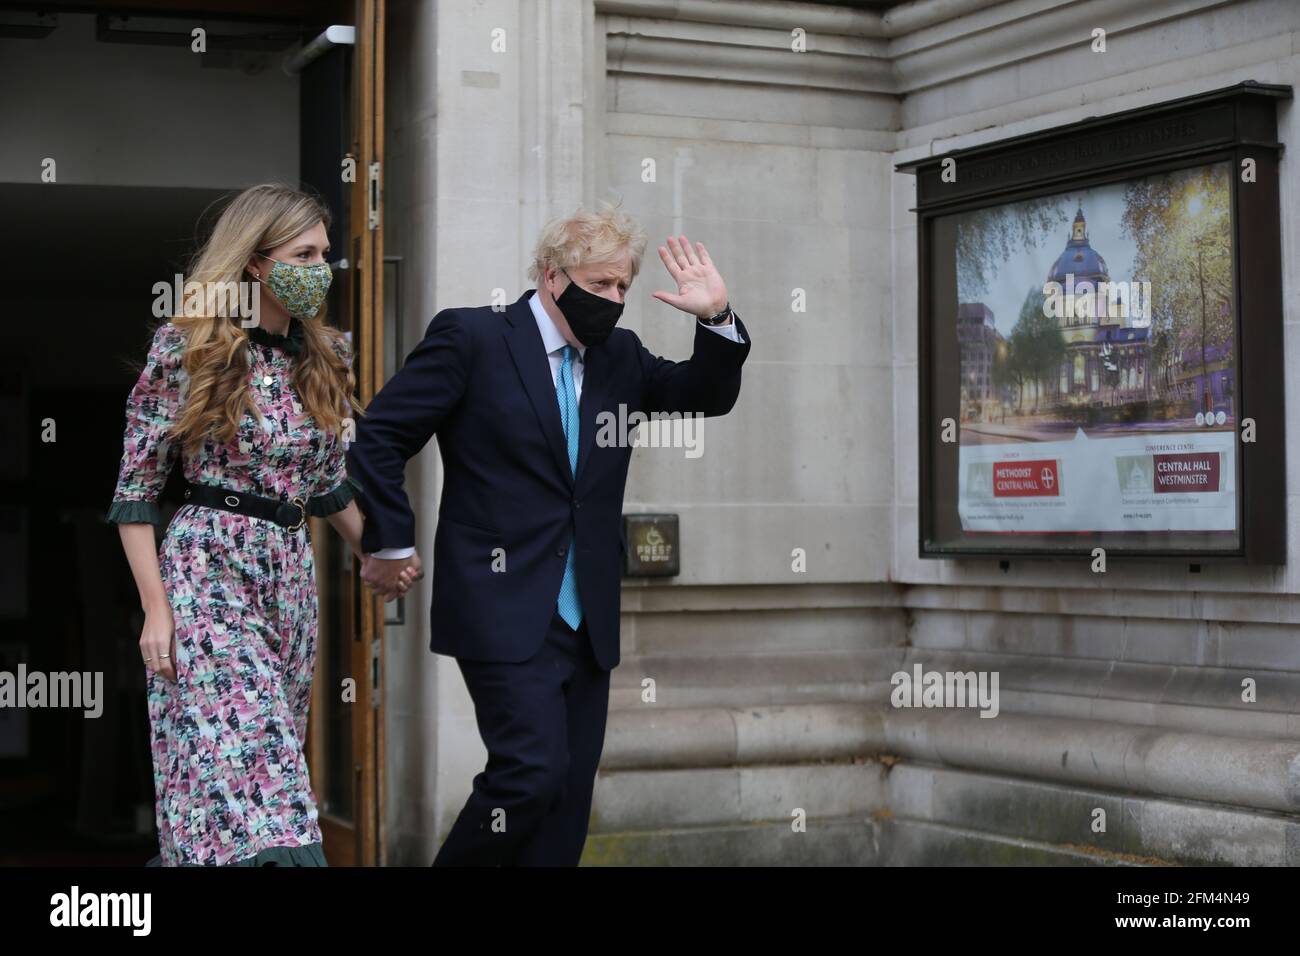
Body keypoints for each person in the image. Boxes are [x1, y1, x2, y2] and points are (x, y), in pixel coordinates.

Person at [347, 203, 751, 865]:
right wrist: (390, 541)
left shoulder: (619, 356)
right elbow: (381, 437)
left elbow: (703, 394)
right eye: (600, 285)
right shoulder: (473, 339)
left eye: (623, 286)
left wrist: (715, 318)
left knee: (566, 802)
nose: (615, 299)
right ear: (551, 275)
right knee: (529, 775)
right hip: (499, 602)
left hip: (585, 617)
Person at [107, 183, 418, 866]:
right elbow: (134, 491)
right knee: (264, 778)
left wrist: (379, 549)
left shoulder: (326, 352)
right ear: (254, 263)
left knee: (246, 774)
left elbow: (325, 483)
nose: (321, 268)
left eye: (326, 254)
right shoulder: (189, 347)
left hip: (287, 572)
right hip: (207, 568)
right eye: (303, 253)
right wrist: (155, 611)